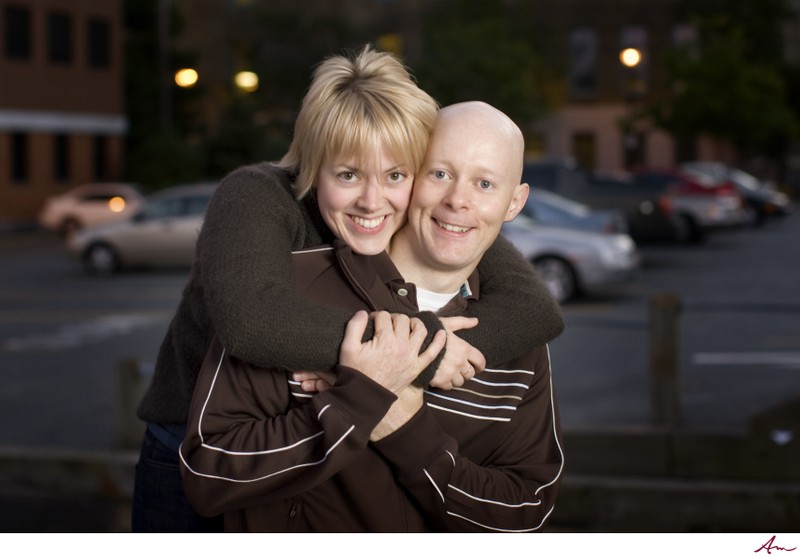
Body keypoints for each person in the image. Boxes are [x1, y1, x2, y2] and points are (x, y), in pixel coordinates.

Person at [132, 44, 564, 531]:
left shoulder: (441, 217)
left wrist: (402, 366)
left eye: (396, 174)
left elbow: (533, 307)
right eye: (348, 174)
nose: (371, 200)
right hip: (186, 441)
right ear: (315, 168)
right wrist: (409, 358)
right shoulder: (257, 199)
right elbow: (252, 320)